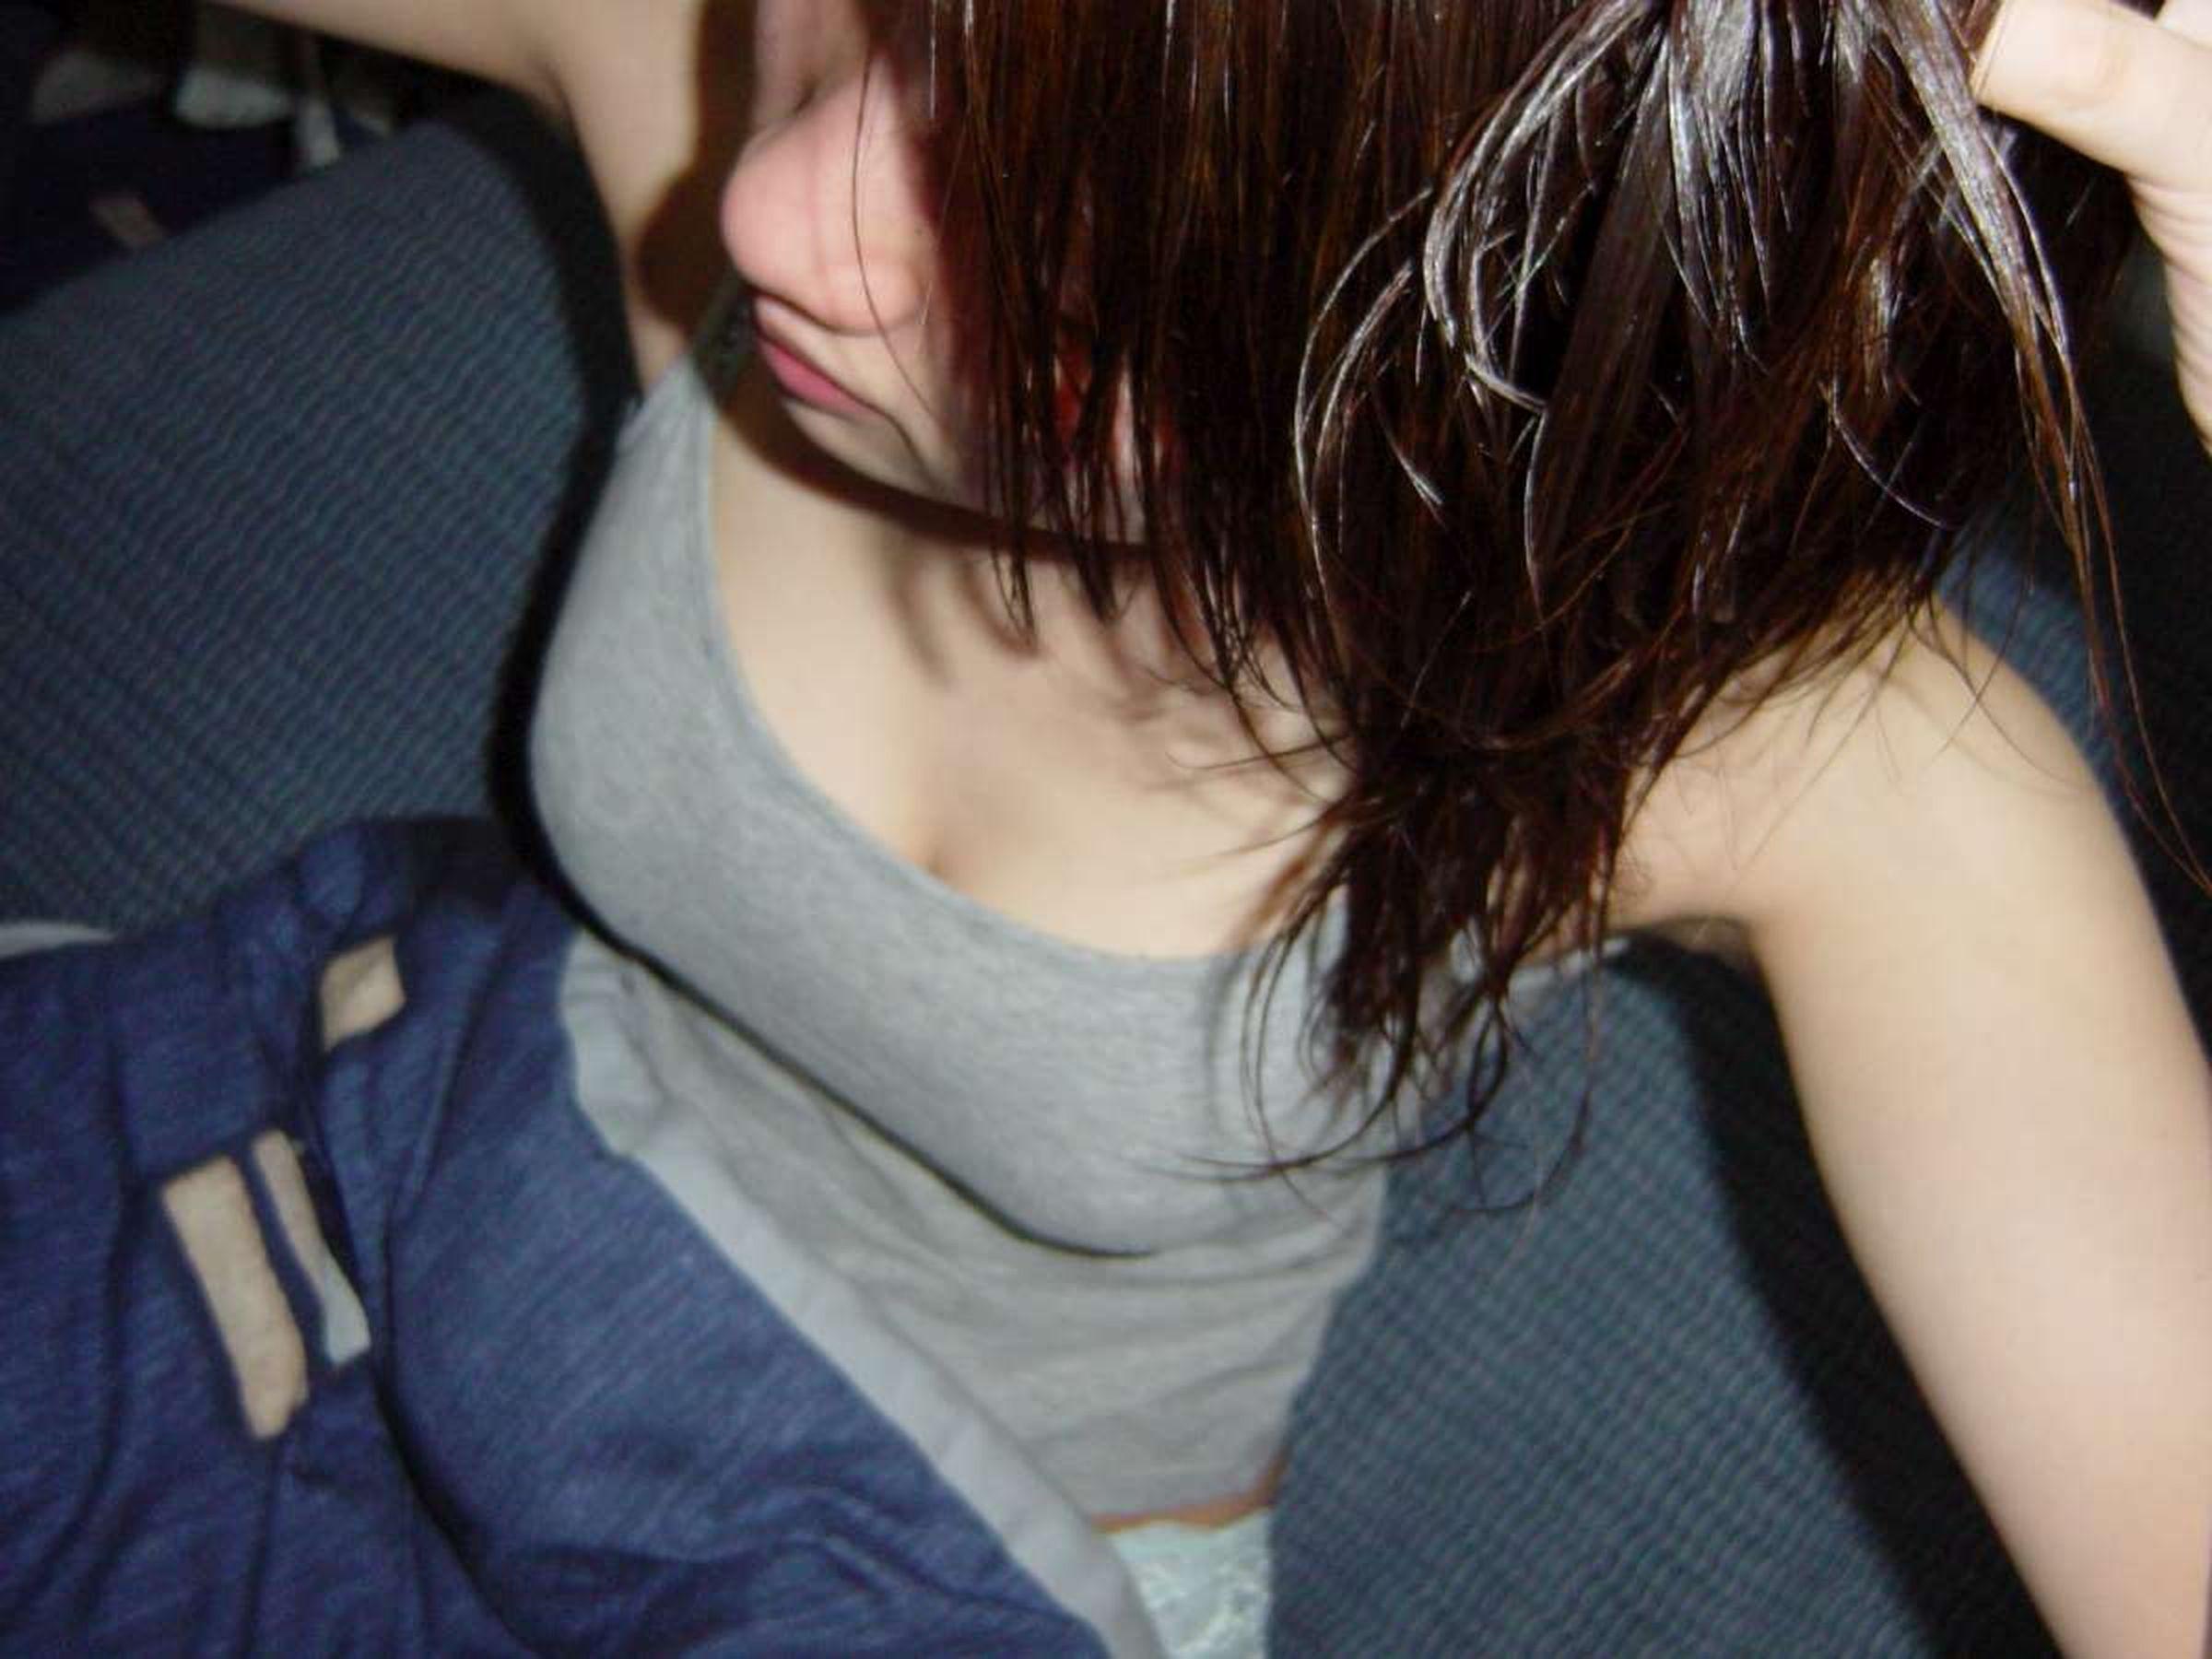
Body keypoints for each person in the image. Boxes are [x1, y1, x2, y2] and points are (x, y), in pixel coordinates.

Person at [70, 0, 2212, 1652]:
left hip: (987, 1532)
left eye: (1068, 268)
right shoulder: (719, 74)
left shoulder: (1716, 721)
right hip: (484, 1142)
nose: (769, 210)